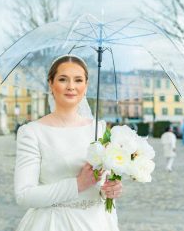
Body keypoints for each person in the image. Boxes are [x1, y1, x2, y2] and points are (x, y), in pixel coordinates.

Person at [14, 55, 121, 231]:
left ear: (86, 86)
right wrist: (77, 184)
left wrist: (109, 190)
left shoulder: (99, 129)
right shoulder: (32, 132)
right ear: (51, 83)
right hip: (54, 224)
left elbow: (101, 185)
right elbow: (24, 195)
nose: (71, 86)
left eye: (78, 80)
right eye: (63, 79)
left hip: (97, 223)